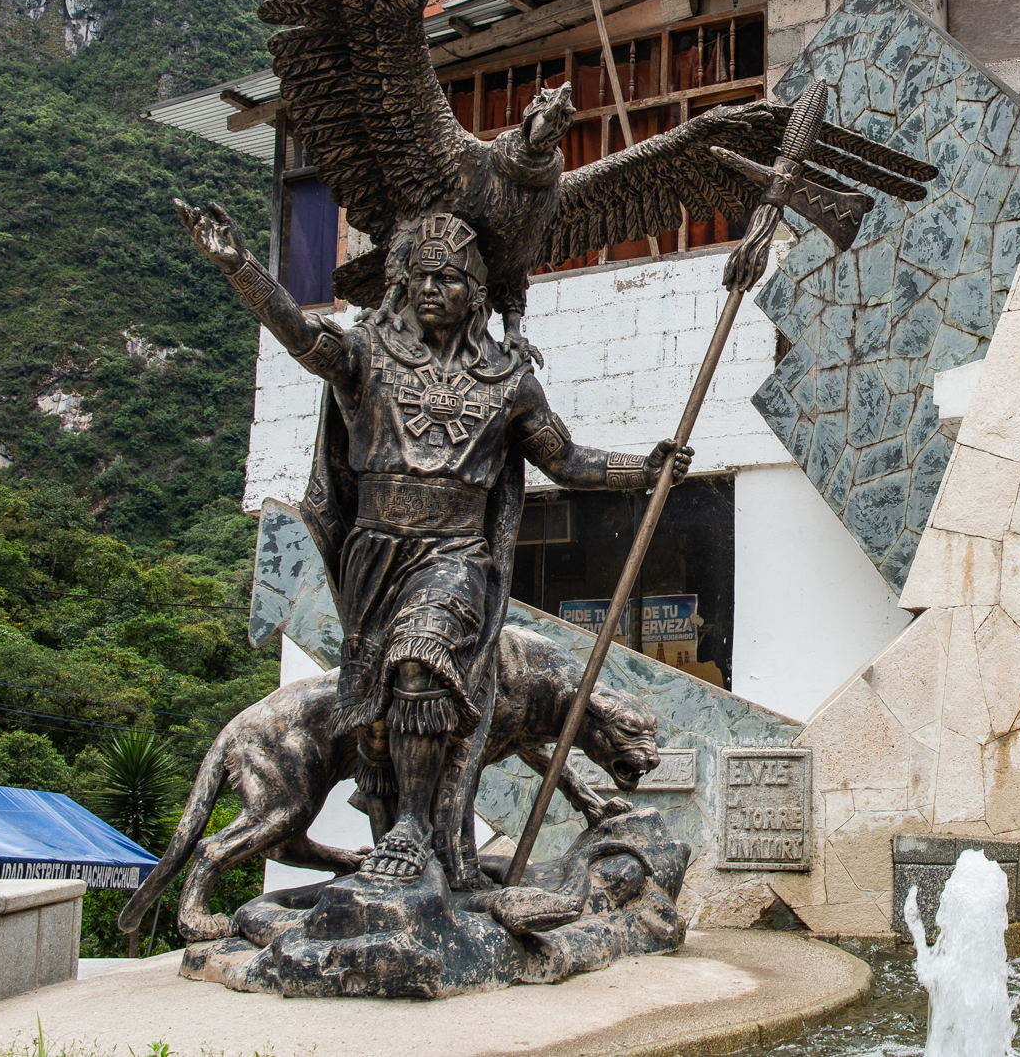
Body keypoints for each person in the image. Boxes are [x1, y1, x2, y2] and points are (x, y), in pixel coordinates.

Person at [175, 203, 692, 884]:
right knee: (378, 710)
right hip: (375, 555)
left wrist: (645, 471)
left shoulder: (508, 381)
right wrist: (242, 268)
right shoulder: (368, 354)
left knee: (421, 664)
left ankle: (414, 830)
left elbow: (566, 460)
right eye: (419, 277)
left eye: (446, 278)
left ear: (474, 291)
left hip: (455, 556)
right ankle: (404, 834)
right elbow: (303, 338)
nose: (429, 289)